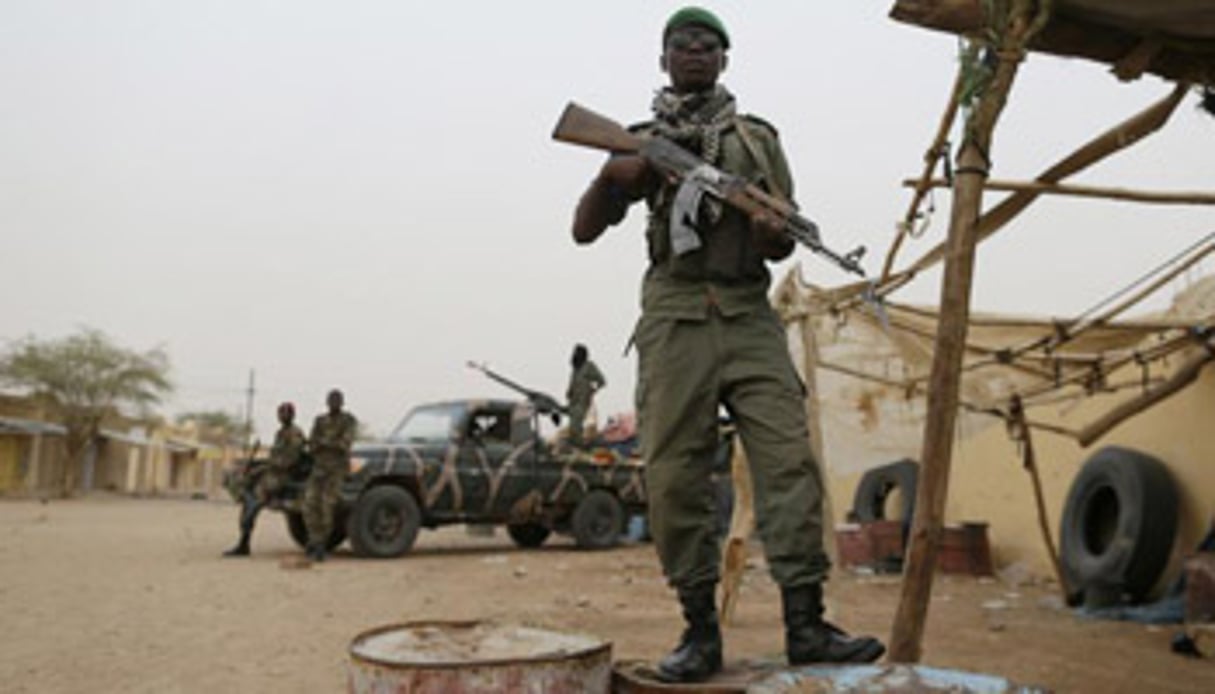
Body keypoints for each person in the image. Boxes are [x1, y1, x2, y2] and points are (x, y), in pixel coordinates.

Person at [570, 6, 884, 682]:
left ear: (724, 59)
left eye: (707, 44)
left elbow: (780, 230)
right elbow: (583, 231)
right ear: (662, 60)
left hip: (746, 312)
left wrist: (772, 230)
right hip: (675, 314)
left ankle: (806, 623)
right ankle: (698, 632)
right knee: (674, 474)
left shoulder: (756, 140)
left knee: (787, 461)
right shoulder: (638, 139)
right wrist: (611, 177)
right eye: (680, 44)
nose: (693, 52)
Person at [223, 402, 306, 557]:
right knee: (246, 481)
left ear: (292, 415)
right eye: (281, 413)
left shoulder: (294, 434)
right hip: (274, 472)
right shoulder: (281, 433)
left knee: (254, 498)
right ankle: (244, 535)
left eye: (286, 413)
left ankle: (244, 541)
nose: (282, 416)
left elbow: (291, 459)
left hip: (283, 475)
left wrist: (271, 464)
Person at [303, 389, 357, 562]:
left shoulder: (348, 420)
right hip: (319, 468)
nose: (334, 402)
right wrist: (327, 444)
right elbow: (312, 444)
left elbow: (344, 444)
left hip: (337, 470)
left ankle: (321, 544)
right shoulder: (320, 420)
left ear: (342, 402)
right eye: (331, 399)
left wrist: (323, 443)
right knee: (309, 504)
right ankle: (314, 539)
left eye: (337, 400)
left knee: (328, 506)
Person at [565, 343, 606, 448]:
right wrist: (569, 391)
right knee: (572, 423)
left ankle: (579, 444)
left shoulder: (589, 366)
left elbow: (601, 381)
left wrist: (593, 390)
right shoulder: (575, 367)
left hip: (583, 400)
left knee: (576, 423)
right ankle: (574, 443)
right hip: (573, 400)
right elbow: (572, 381)